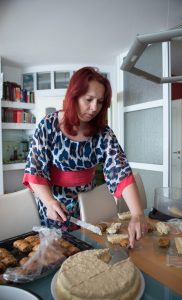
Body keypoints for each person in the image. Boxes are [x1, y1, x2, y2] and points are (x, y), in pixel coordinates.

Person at [23, 66, 147, 248]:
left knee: (88, 248)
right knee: (58, 252)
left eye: (100, 101)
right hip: (54, 204)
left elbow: (120, 172)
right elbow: (35, 170)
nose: (94, 108)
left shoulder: (103, 133)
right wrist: (49, 202)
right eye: (88, 99)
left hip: (87, 204)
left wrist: (137, 214)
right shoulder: (48, 125)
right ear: (74, 96)